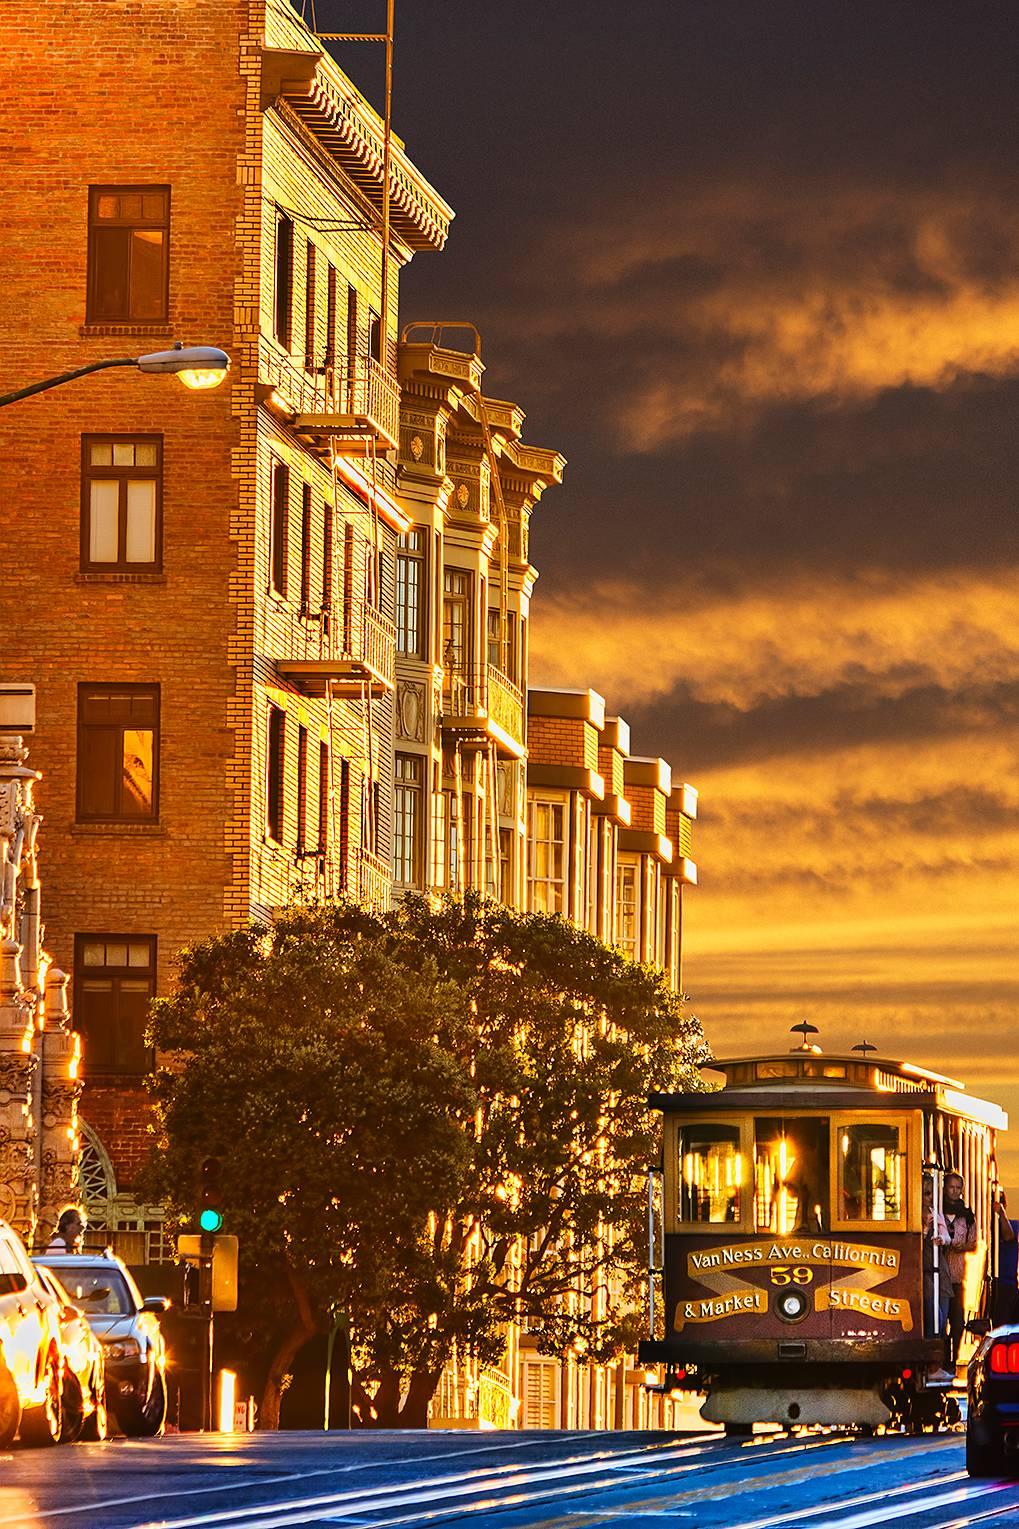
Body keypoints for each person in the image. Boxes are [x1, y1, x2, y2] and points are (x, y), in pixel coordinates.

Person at [943, 1171, 978, 1368]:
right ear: (945, 1188)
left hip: (957, 1275)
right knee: (939, 1321)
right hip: (938, 1276)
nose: (955, 1191)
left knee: (957, 1321)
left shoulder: (967, 1216)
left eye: (958, 1188)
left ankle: (952, 1360)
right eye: (951, 1187)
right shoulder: (936, 1210)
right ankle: (939, 1358)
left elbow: (973, 1243)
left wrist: (960, 1246)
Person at [922, 1174, 953, 1379]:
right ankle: (930, 1367)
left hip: (938, 1267)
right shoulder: (913, 1214)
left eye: (932, 1193)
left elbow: (948, 1238)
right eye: (926, 1193)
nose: (929, 1197)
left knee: (942, 1319)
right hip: (923, 1268)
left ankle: (937, 1366)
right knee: (933, 1317)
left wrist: (941, 1238)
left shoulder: (936, 1213)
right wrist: (925, 1229)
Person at [992, 1189, 1018, 1327]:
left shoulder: (1014, 1225)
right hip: (994, 1284)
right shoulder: (985, 1226)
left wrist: (1001, 1214)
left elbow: (1009, 1236)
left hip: (1009, 1284)